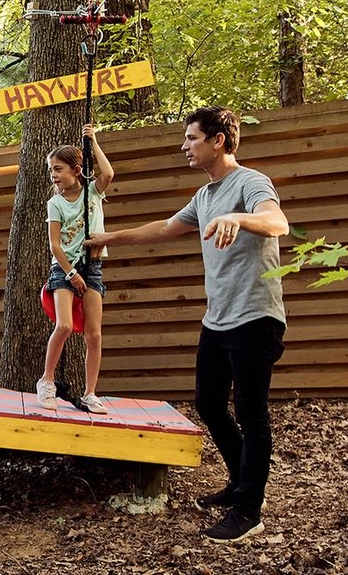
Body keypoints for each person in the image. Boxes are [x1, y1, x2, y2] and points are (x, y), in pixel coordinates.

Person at [85, 106, 288, 543]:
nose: (184, 147)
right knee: (209, 403)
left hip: (256, 317)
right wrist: (110, 237)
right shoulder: (205, 195)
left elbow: (277, 222)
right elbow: (165, 228)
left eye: (192, 138)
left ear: (218, 140)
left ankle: (248, 510)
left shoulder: (250, 182)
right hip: (218, 320)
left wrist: (238, 218)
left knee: (251, 413)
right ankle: (241, 481)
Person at [36, 124, 114, 414]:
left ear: (76, 170)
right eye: (51, 170)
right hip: (64, 269)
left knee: (94, 334)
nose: (53, 175)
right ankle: (46, 381)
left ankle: (90, 393)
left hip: (92, 267)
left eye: (58, 169)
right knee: (65, 325)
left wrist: (93, 141)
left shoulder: (92, 193)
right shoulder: (55, 203)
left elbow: (108, 174)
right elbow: (55, 245)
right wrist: (71, 274)